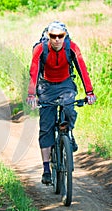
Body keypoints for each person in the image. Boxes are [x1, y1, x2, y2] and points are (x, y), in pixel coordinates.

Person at [26, 21, 96, 184]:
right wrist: (32, 94)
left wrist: (90, 92)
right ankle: (46, 169)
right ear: (48, 37)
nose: (57, 39)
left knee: (69, 110)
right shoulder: (40, 49)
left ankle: (68, 134)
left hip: (65, 84)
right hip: (46, 86)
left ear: (65, 36)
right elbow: (34, 71)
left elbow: (82, 69)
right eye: (53, 36)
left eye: (60, 36)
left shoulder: (71, 47)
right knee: (46, 128)